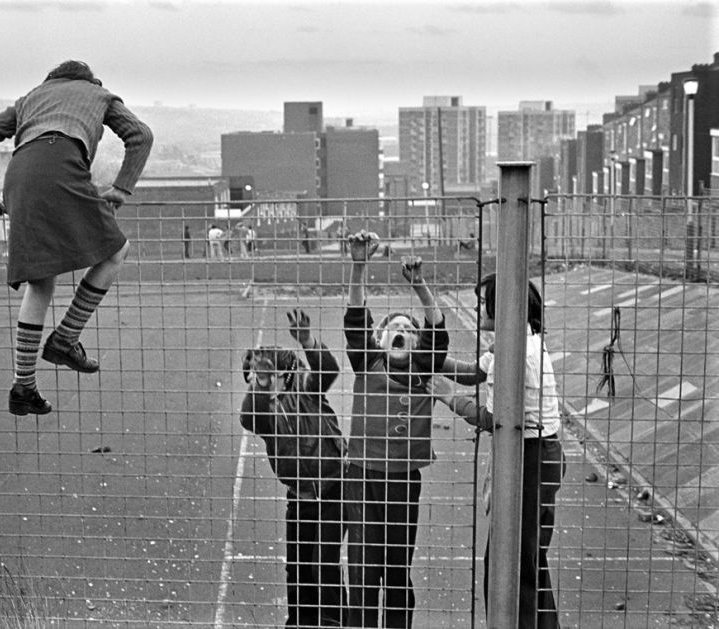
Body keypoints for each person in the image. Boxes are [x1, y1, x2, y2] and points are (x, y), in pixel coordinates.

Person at [0, 60, 153, 417]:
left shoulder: (31, 98)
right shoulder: (99, 94)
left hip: (20, 176)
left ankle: (23, 387)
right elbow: (140, 135)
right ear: (90, 80)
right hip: (62, 165)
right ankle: (66, 338)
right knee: (116, 252)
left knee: (41, 283)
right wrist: (121, 188)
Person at [428, 273, 564, 629]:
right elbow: (474, 372)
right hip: (540, 455)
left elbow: (494, 419)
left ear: (503, 306)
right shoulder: (519, 341)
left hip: (531, 459)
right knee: (529, 560)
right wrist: (426, 358)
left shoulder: (515, 354)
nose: (477, 306)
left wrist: (446, 396)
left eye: (483, 300)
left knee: (510, 565)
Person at [343, 230, 449, 629]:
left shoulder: (423, 370)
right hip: (363, 476)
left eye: (409, 326)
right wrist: (358, 266)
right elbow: (356, 320)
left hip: (404, 479)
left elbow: (438, 333)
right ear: (381, 339)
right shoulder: (368, 364)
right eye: (393, 326)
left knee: (397, 567)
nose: (402, 330)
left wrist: (420, 286)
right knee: (363, 567)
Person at [240, 308, 346, 628]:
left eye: (270, 374)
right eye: (258, 376)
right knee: (297, 567)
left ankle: (334, 621)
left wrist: (307, 341)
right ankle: (299, 621)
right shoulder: (266, 408)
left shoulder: (307, 390)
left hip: (335, 488)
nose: (262, 380)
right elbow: (249, 418)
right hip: (299, 495)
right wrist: (260, 383)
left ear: (286, 375)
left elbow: (328, 371)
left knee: (322, 564)